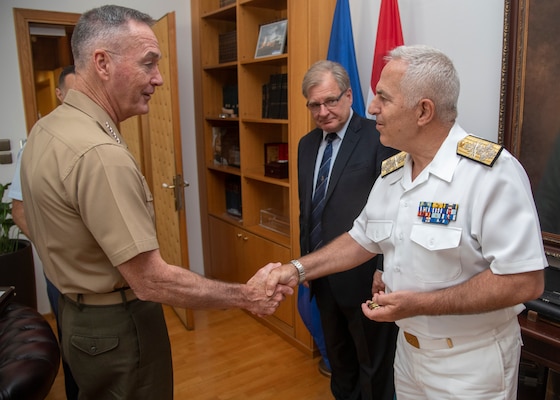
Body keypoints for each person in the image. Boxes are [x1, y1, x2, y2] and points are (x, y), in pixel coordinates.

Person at [20, 5, 290, 399]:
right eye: (148, 64)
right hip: (118, 327)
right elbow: (150, 279)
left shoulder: (47, 129)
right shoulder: (97, 152)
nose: (159, 79)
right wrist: (245, 296)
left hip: (77, 317)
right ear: (102, 63)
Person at [266, 44, 546, 399]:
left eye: (384, 98)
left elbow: (524, 281)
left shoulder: (490, 175)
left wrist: (419, 304)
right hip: (409, 356)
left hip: (469, 363)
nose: (371, 108)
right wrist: (296, 269)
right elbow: (360, 239)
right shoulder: (393, 173)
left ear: (423, 111)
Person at [297, 60, 398, 399]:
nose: (323, 111)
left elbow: (392, 208)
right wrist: (307, 263)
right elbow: (307, 211)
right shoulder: (307, 145)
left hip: (366, 277)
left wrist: (385, 268)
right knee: (338, 361)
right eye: (314, 104)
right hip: (323, 276)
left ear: (349, 95)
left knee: (372, 366)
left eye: (331, 101)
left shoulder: (377, 138)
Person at [9, 64, 79, 399]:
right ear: (59, 94)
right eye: (72, 93)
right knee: (70, 338)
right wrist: (52, 247)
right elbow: (18, 209)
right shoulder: (38, 143)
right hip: (60, 268)